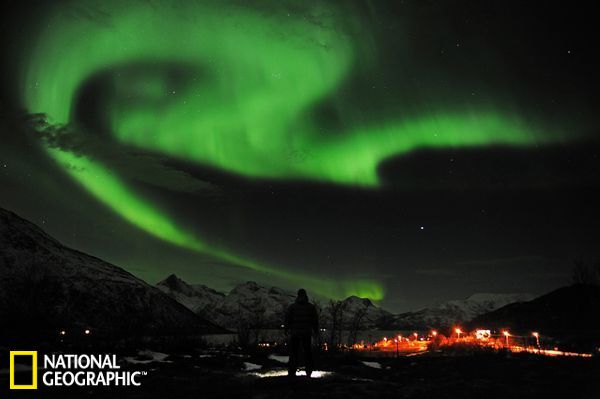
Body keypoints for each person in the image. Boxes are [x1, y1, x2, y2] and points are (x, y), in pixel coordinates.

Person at [284, 288, 318, 377]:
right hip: (307, 333)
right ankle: (309, 372)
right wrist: (316, 331)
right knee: (308, 353)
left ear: (298, 295)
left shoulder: (292, 307)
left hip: (295, 333)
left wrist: (286, 329)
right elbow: (315, 321)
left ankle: (292, 372)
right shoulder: (311, 307)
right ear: (306, 295)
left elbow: (287, 319)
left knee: (294, 353)